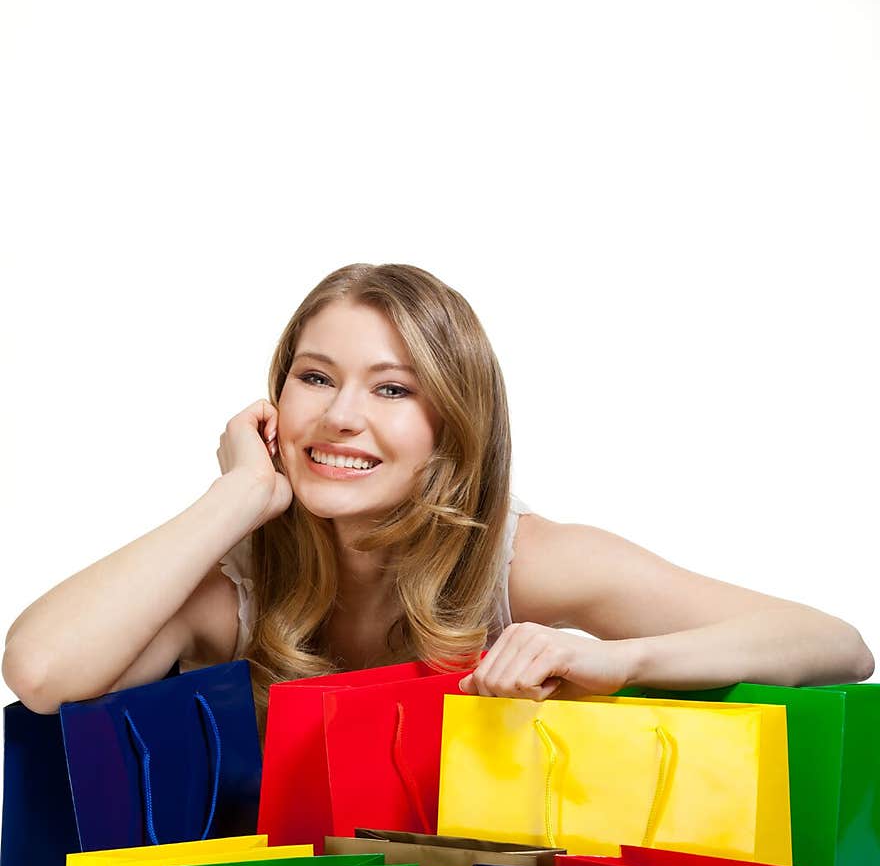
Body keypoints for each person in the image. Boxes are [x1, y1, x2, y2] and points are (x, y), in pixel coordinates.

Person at [2, 262, 873, 732]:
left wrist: (621, 662)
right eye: (315, 378)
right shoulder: (234, 583)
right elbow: (39, 676)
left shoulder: (521, 561)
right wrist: (236, 495)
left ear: (452, 425)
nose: (341, 417)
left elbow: (835, 645)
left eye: (392, 390)